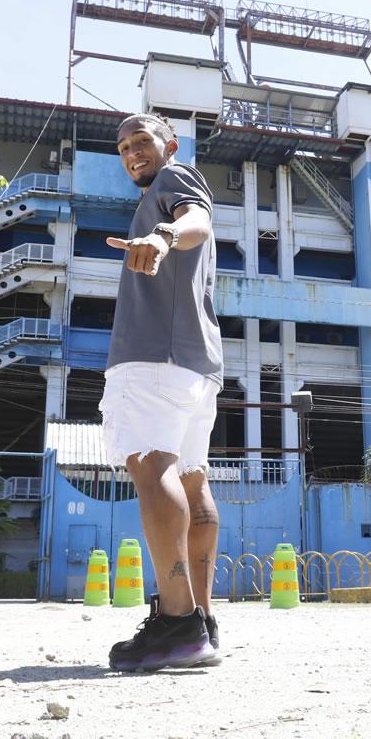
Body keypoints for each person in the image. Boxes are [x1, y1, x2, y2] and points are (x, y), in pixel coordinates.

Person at [100, 113, 224, 672]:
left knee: (153, 469)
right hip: (198, 364)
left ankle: (176, 625)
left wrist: (163, 235)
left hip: (155, 357)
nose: (132, 153)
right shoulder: (168, 187)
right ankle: (201, 619)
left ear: (168, 145)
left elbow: (195, 217)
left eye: (141, 141)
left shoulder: (176, 180)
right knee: (192, 481)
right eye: (123, 147)